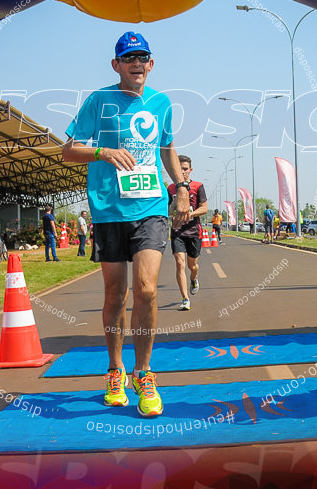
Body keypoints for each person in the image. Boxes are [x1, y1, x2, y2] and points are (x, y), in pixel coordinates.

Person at [62, 30, 190, 418]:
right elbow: (68, 150)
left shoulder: (162, 102)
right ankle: (116, 369)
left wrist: (180, 187)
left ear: (151, 64)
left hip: (150, 206)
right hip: (107, 208)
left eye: (143, 57)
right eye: (129, 58)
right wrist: (102, 151)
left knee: (147, 290)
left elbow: (167, 148)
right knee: (115, 295)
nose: (137, 63)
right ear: (116, 65)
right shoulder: (98, 101)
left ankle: (144, 372)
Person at [167, 156, 208, 311]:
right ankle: (185, 299)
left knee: (193, 265)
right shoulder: (171, 188)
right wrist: (173, 206)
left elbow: (204, 208)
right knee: (180, 263)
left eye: (185, 168)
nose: (182, 171)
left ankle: (194, 278)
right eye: (180, 168)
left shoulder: (198, 186)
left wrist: (189, 214)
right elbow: (167, 210)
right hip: (177, 230)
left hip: (194, 230)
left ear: (190, 170)